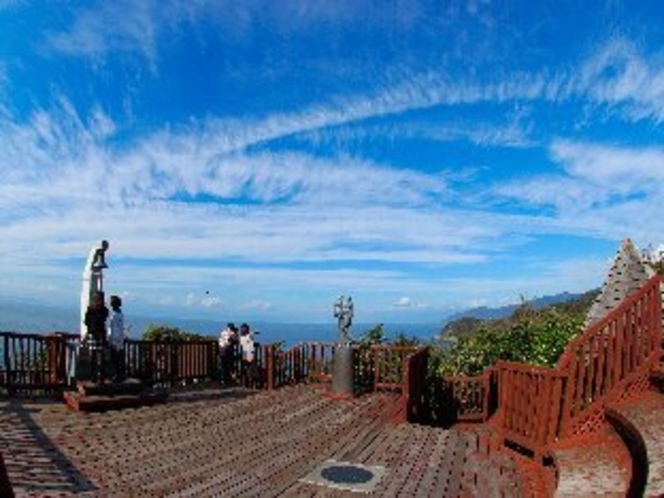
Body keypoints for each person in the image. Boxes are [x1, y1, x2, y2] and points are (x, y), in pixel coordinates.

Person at [84, 291, 109, 383]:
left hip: (94, 334)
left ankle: (95, 377)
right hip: (100, 334)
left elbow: (86, 322)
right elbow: (103, 320)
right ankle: (99, 378)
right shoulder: (104, 310)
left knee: (94, 357)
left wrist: (90, 329)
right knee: (99, 357)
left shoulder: (90, 309)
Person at [107, 295, 125, 382]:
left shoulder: (114, 315)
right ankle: (118, 375)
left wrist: (113, 340)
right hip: (118, 340)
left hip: (115, 340)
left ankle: (117, 376)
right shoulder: (120, 314)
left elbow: (113, 329)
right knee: (117, 359)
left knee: (115, 359)